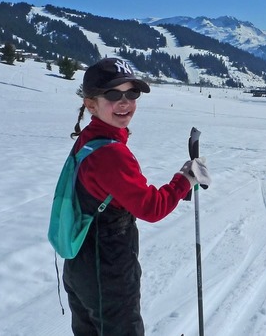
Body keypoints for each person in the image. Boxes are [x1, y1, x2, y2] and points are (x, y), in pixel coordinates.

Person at [63, 57, 211, 336]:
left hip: (80, 264)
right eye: (113, 94)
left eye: (132, 93)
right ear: (91, 103)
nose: (125, 102)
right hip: (106, 272)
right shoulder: (110, 153)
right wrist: (185, 180)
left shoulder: (90, 139)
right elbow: (151, 208)